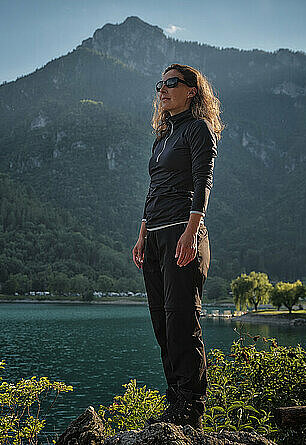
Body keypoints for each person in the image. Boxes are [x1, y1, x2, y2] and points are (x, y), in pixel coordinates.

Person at [132, 63, 224, 430]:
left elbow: (204, 180)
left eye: (172, 83)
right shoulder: (163, 137)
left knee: (182, 322)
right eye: (161, 84)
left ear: (192, 91)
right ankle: (175, 403)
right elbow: (153, 191)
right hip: (155, 235)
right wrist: (142, 235)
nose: (163, 89)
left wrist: (192, 230)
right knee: (162, 324)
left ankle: (192, 407)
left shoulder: (198, 129)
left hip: (182, 233)